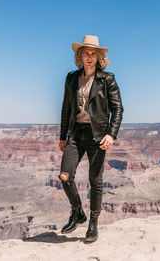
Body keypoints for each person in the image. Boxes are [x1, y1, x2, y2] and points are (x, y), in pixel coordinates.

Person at [58, 35, 123, 243]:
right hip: (76, 133)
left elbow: (118, 108)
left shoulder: (107, 80)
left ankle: (93, 223)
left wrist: (111, 134)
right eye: (85, 53)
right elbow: (66, 108)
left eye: (93, 54)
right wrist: (62, 136)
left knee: (95, 180)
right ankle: (77, 212)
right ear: (80, 56)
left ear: (98, 57)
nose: (89, 57)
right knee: (65, 176)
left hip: (97, 135)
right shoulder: (71, 78)